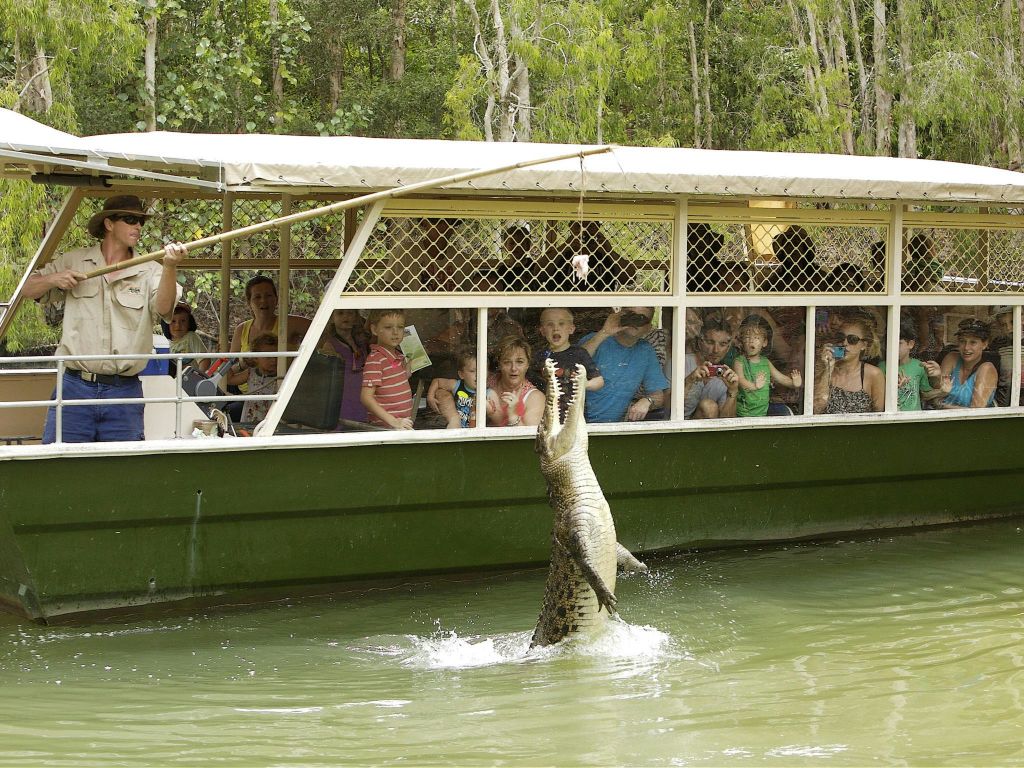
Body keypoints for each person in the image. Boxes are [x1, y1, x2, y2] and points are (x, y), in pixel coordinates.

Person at [23, 195, 187, 443]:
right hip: (74, 387)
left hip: (124, 391)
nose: (138, 226)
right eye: (130, 219)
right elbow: (26, 289)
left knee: (122, 465)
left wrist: (170, 266)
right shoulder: (74, 261)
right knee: (60, 461)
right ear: (109, 224)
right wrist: (53, 279)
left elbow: (165, 309)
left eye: (141, 221)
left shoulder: (152, 270)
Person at [579, 307, 670, 422]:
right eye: (629, 314)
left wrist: (647, 401)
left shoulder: (645, 351)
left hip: (612, 426)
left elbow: (658, 396)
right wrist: (604, 332)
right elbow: (571, 366)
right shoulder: (595, 339)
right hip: (578, 422)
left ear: (648, 328)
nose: (633, 321)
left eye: (641, 318)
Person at [228, 275, 311, 378]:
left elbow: (323, 330)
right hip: (247, 387)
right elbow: (229, 369)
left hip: (282, 385)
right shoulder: (241, 330)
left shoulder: (290, 323)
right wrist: (243, 364)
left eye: (268, 295)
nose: (263, 301)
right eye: (257, 297)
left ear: (276, 299)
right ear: (249, 302)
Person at [526, 308, 604, 415]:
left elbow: (599, 381)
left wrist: (585, 384)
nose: (556, 329)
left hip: (574, 414)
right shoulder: (540, 356)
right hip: (546, 413)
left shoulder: (579, 353)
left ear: (571, 329)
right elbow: (528, 383)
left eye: (561, 323)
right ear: (542, 331)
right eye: (550, 324)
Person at [813, 313, 885, 414]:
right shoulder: (826, 369)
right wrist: (827, 369)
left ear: (863, 345)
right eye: (841, 337)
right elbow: (816, 409)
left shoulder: (874, 374)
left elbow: (879, 415)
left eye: (852, 339)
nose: (845, 343)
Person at [732, 315, 802, 417]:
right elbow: (740, 380)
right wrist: (754, 386)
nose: (751, 341)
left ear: (764, 342)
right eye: (747, 337)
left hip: (762, 411)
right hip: (745, 412)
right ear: (742, 341)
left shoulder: (765, 362)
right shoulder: (739, 361)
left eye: (756, 338)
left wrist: (794, 383)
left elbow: (780, 378)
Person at [361, 309, 414, 429]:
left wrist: (407, 371)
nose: (395, 332)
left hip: (400, 425)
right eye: (388, 327)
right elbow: (366, 397)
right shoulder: (376, 360)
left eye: (400, 327)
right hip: (385, 428)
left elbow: (390, 383)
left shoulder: (397, 356)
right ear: (374, 330)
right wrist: (393, 421)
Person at [879, 318, 948, 411]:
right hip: (892, 417)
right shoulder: (881, 367)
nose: (893, 347)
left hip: (914, 417)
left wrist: (942, 391)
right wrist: (896, 388)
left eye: (899, 343)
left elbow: (925, 394)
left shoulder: (919, 366)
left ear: (910, 344)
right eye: (889, 343)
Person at [933, 318, 998, 409]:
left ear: (984, 344)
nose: (966, 347)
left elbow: (976, 411)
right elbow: (935, 396)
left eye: (973, 342)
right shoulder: (952, 358)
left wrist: (945, 399)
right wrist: (936, 377)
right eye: (962, 341)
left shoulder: (987, 369)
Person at [319, 308, 370, 425]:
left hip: (362, 390)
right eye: (340, 313)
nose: (345, 317)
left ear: (356, 317)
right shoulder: (329, 344)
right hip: (343, 392)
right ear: (332, 318)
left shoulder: (361, 341)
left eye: (350, 313)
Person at [683, 318, 740, 419]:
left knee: (708, 406)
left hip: (703, 427)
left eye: (722, 344)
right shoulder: (680, 364)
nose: (716, 350)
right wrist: (689, 380)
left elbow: (726, 422)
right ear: (700, 342)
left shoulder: (725, 376)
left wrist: (733, 391)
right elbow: (666, 408)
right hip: (676, 426)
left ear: (728, 348)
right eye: (710, 342)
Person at [486, 335, 544, 427]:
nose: (513, 368)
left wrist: (513, 415)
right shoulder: (485, 383)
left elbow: (529, 436)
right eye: (507, 362)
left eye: (519, 362)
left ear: (527, 365)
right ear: (499, 364)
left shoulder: (535, 398)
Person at [434, 349, 482, 429]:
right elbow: (437, 381)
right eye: (472, 371)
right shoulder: (458, 385)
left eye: (481, 370)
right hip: (457, 428)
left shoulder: (487, 392)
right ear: (461, 374)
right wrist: (430, 396)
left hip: (476, 431)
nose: (477, 375)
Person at [240, 333, 280, 425]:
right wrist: (234, 362)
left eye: (276, 356)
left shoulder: (281, 376)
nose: (274, 360)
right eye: (268, 357)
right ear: (256, 358)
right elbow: (230, 379)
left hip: (270, 420)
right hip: (250, 418)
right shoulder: (251, 373)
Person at [161, 302, 209, 374]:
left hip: (190, 378)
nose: (178, 325)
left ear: (189, 323)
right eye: (173, 321)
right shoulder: (164, 342)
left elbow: (204, 359)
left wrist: (200, 375)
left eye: (183, 321)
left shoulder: (191, 337)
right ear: (166, 324)